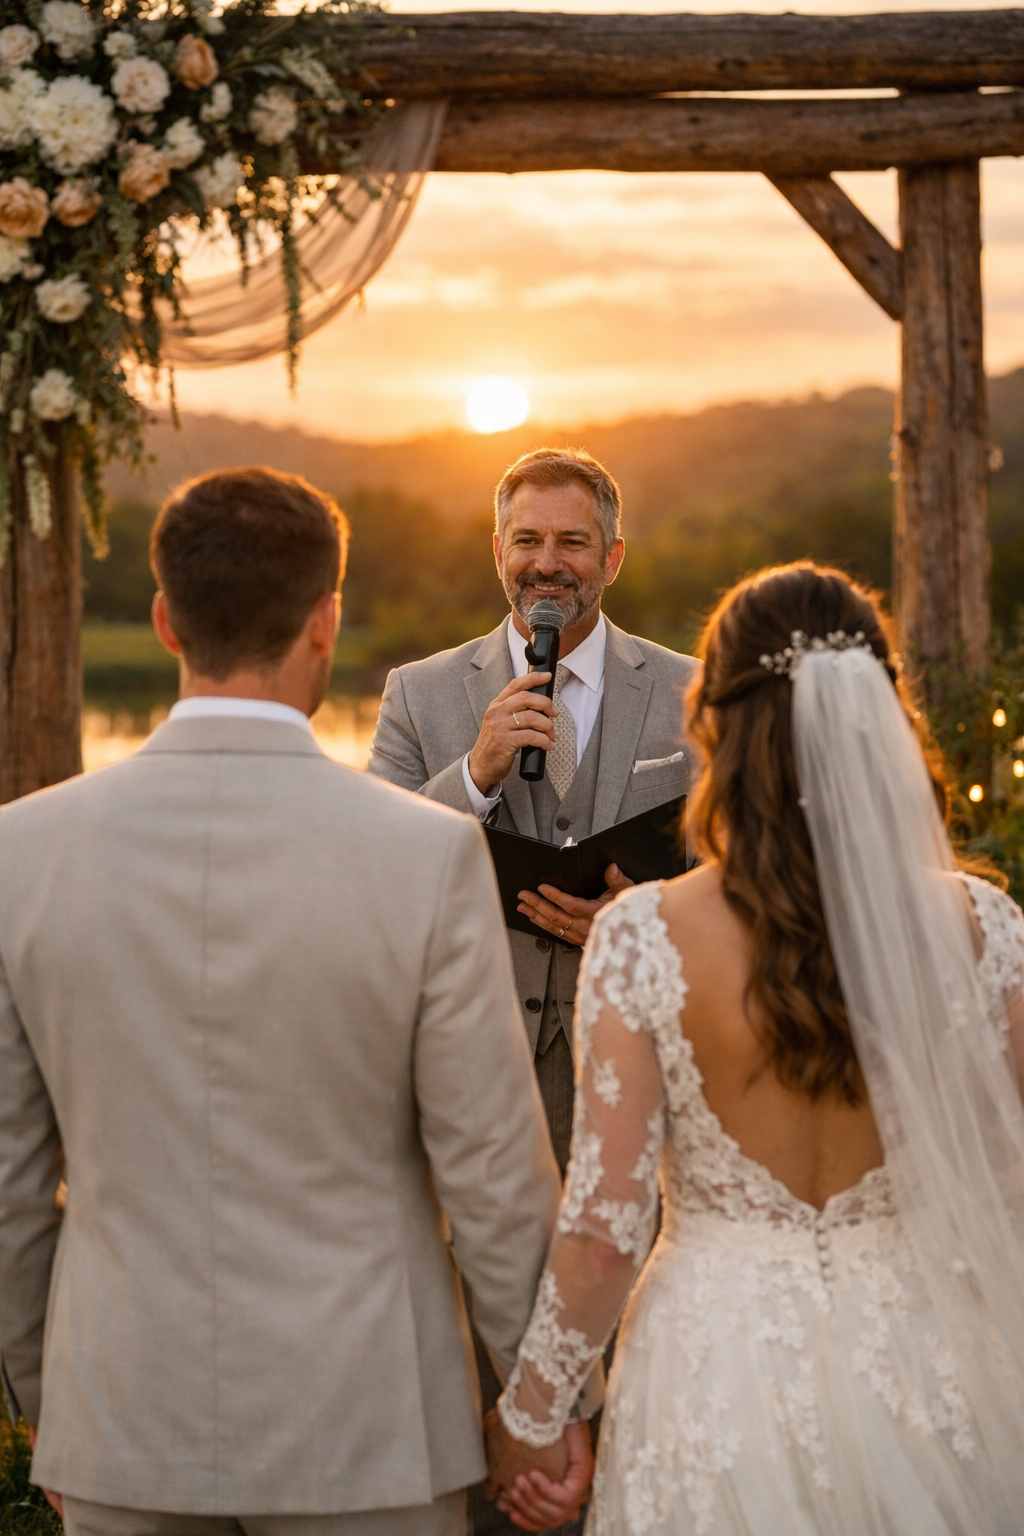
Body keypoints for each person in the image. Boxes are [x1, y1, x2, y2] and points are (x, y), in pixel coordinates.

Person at [0, 467, 580, 1536]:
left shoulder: (22, 850)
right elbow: (495, 1174)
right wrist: (539, 1407)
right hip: (369, 1424)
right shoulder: (428, 852)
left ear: (167, 622)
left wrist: (53, 1405)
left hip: (123, 1416)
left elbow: (9, 1182)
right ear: (327, 621)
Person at [487, 562, 1024, 1536]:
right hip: (928, 1360)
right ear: (881, 721)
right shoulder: (985, 929)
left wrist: (534, 1414)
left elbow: (608, 1226)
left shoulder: (645, 934)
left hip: (715, 1363)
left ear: (710, 726)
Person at [368, 447, 698, 1534]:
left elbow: (746, 874)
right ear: (496, 552)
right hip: (472, 1077)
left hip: (644, 1076)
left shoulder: (693, 691)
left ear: (611, 554)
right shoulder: (422, 693)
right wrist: (468, 775)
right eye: (525, 540)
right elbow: (370, 867)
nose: (544, 563)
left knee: (635, 1306)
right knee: (477, 1321)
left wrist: (642, 923)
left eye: (568, 541)